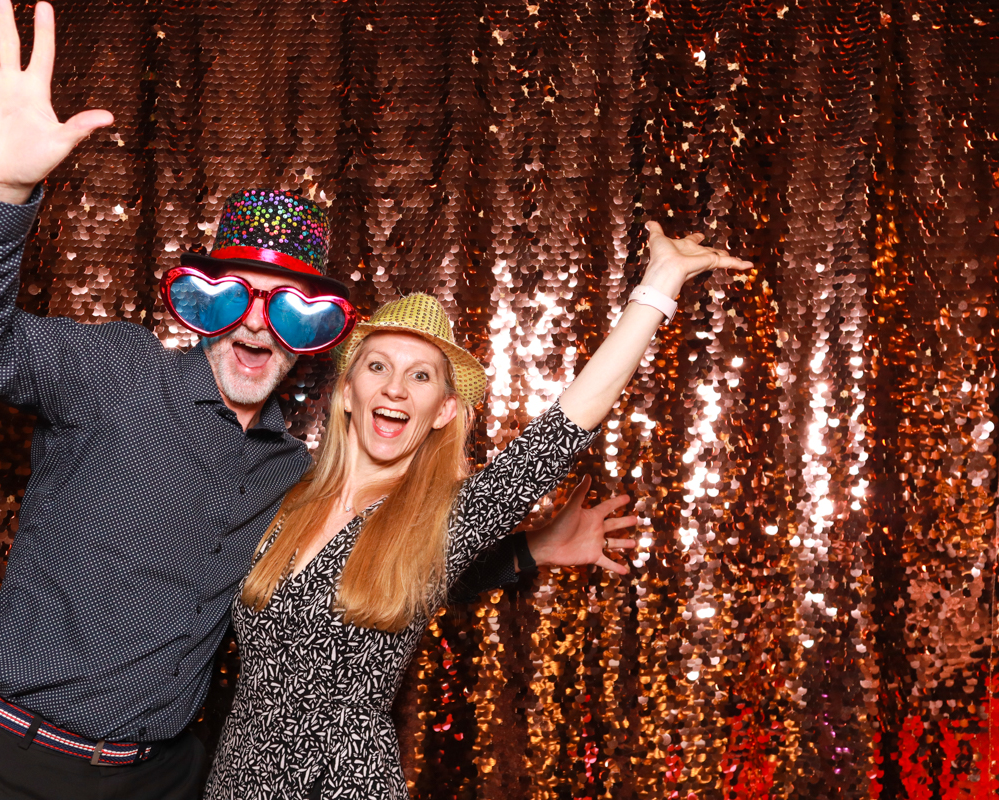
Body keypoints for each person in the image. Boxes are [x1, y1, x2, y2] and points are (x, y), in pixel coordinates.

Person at [0, 2, 637, 797]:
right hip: (3, 761)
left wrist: (531, 552)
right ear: (196, 303)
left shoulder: (297, 475)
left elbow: (362, 578)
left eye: (288, 308)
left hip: (163, 780)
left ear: (319, 335)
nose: (256, 326)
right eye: (230, 299)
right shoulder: (113, 375)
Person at [203, 252, 751, 795]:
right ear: (347, 392)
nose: (395, 388)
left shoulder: (444, 518)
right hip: (234, 782)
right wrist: (532, 549)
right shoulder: (285, 493)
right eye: (378, 367)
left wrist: (656, 290)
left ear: (442, 411)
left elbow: (568, 423)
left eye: (420, 376)